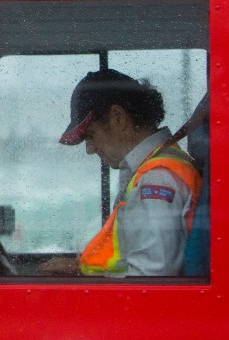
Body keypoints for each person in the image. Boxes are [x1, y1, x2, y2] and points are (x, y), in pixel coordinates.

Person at [41, 69, 202, 276]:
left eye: (91, 136)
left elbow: (150, 281)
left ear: (118, 118)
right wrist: (81, 270)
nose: (89, 150)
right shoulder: (154, 170)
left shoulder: (157, 180)